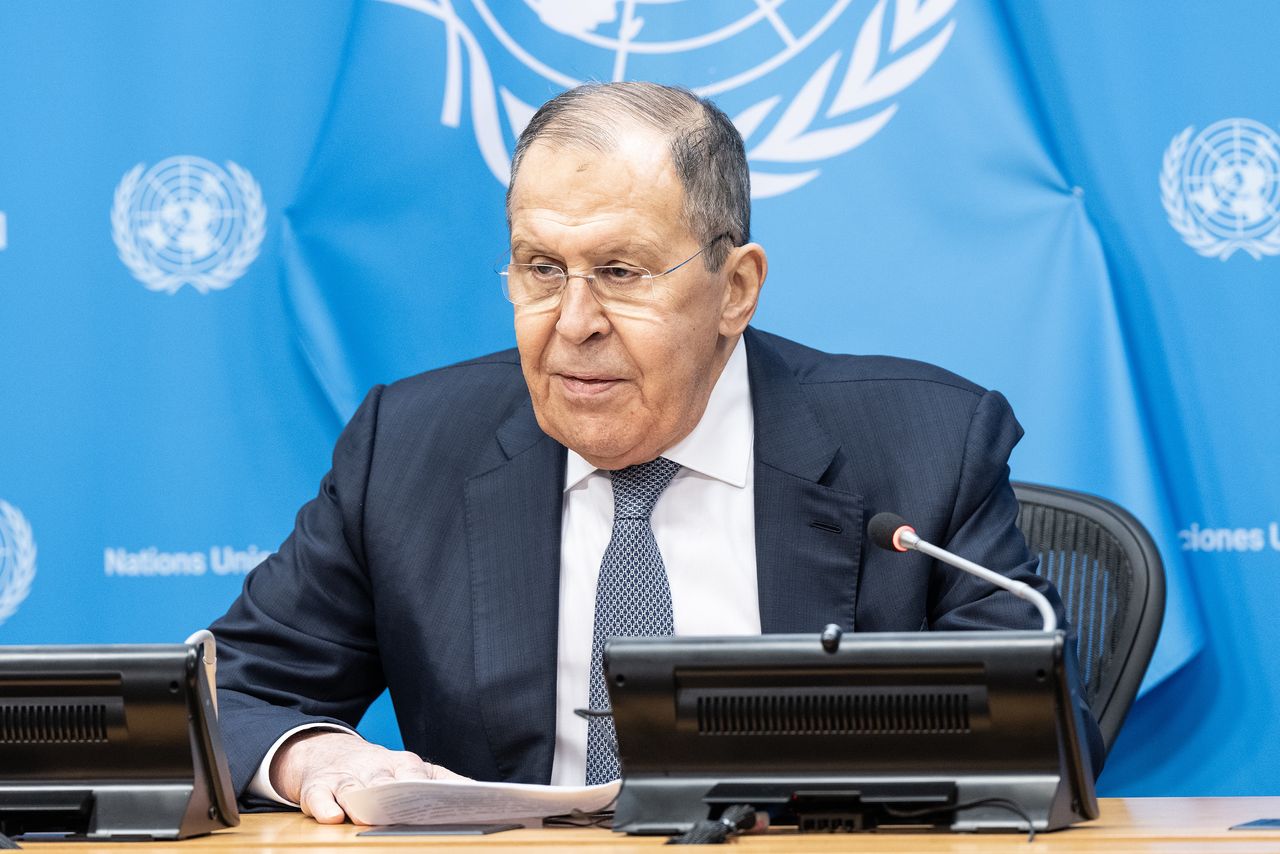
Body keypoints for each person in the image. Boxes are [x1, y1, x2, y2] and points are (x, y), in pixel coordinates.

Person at [210, 81, 1103, 825]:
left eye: (622, 273)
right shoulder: (409, 448)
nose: (573, 323)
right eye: (540, 268)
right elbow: (226, 693)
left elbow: (1045, 738)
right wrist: (313, 752)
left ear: (736, 288)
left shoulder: (925, 446)